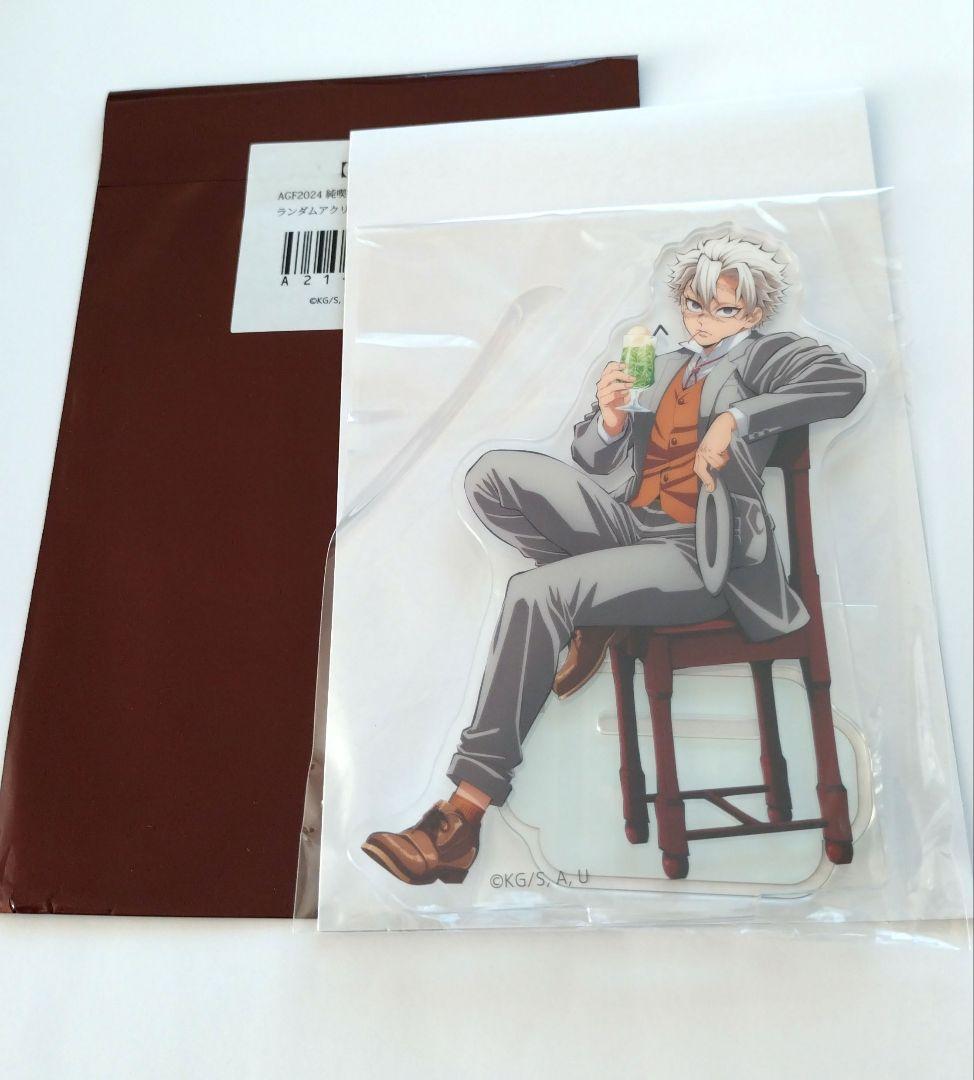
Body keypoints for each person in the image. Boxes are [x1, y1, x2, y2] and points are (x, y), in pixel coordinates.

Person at [362, 228, 866, 886]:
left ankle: (463, 815)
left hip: (700, 557)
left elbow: (846, 382)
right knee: (492, 476)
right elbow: (594, 460)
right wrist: (610, 418)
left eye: (723, 309)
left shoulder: (767, 356)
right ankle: (591, 610)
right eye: (694, 304)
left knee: (537, 591)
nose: (703, 320)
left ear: (754, 311)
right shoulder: (666, 361)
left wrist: (737, 420)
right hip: (631, 527)